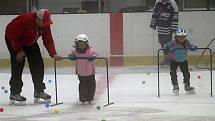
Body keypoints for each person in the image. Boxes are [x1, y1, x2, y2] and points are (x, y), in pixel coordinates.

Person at [5, 9, 61, 105]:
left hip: (30, 42)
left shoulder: (45, 24)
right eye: (43, 22)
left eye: (46, 23)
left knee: (38, 64)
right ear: (37, 19)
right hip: (14, 40)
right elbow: (12, 35)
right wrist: (19, 50)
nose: (45, 25)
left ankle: (39, 91)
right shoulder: (25, 20)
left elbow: (48, 39)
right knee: (18, 65)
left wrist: (53, 53)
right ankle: (14, 93)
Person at [164, 28, 197, 95]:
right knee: (173, 73)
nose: (182, 39)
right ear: (176, 37)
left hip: (183, 60)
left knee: (186, 73)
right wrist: (167, 54)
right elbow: (165, 47)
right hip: (174, 61)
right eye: (180, 37)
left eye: (184, 37)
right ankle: (175, 86)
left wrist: (193, 47)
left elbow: (191, 46)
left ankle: (187, 86)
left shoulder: (186, 42)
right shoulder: (172, 43)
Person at [68, 34, 97, 104]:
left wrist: (93, 56)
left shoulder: (90, 50)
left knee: (92, 85)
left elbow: (96, 54)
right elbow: (71, 54)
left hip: (91, 73)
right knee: (82, 86)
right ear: (77, 44)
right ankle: (83, 99)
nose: (81, 45)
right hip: (81, 73)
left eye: (83, 44)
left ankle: (90, 98)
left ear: (86, 44)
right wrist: (71, 56)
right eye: (79, 44)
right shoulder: (75, 52)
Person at [150, 0, 178, 65]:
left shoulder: (172, 3)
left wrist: (173, 27)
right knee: (163, 44)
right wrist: (153, 24)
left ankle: (172, 60)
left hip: (168, 29)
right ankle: (167, 59)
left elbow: (175, 15)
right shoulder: (157, 2)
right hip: (160, 28)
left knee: (169, 45)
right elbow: (154, 13)